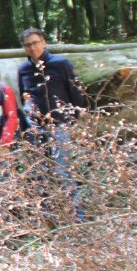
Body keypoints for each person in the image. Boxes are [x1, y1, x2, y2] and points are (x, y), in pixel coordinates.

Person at [17, 28, 88, 219]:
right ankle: (52, 215)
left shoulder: (61, 64)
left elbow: (76, 94)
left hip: (60, 126)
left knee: (62, 170)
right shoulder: (23, 69)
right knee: (42, 171)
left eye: (35, 42)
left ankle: (77, 215)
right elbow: (24, 94)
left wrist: (73, 119)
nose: (32, 47)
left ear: (44, 42)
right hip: (37, 128)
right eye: (28, 45)